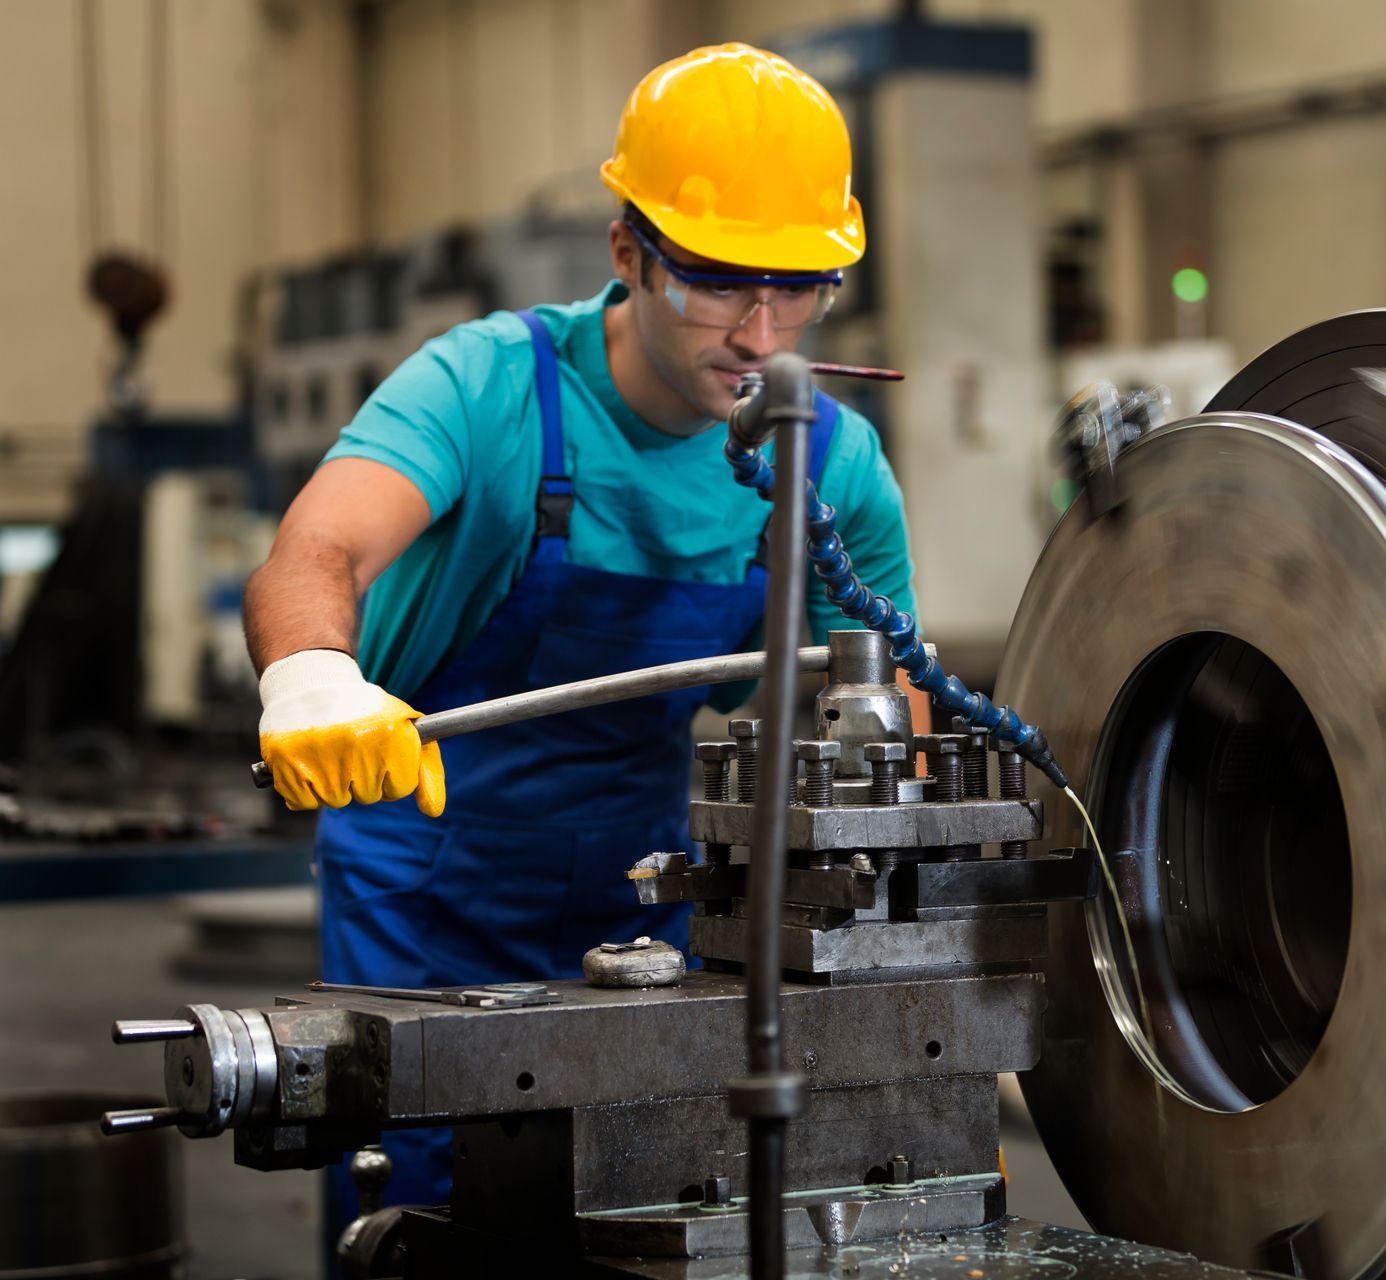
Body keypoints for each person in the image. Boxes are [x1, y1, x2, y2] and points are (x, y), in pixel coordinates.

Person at [242, 43, 916, 1227]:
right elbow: (318, 552)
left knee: (640, 1205)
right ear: (627, 252)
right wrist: (307, 672)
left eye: (798, 287)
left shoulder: (832, 461)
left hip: (644, 889)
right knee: (418, 1212)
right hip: (425, 880)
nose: (761, 334)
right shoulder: (487, 386)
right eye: (716, 281)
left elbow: (884, 700)